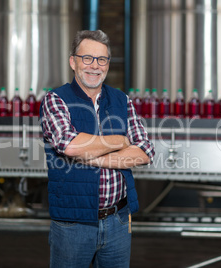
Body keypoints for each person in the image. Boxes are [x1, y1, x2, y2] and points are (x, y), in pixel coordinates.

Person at [40, 29, 155, 267]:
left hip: (118, 221)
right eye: (87, 58)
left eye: (102, 59)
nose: (95, 66)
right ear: (73, 61)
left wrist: (91, 155)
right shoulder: (56, 99)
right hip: (73, 223)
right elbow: (69, 145)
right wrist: (119, 141)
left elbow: (145, 152)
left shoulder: (122, 100)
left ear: (108, 64)